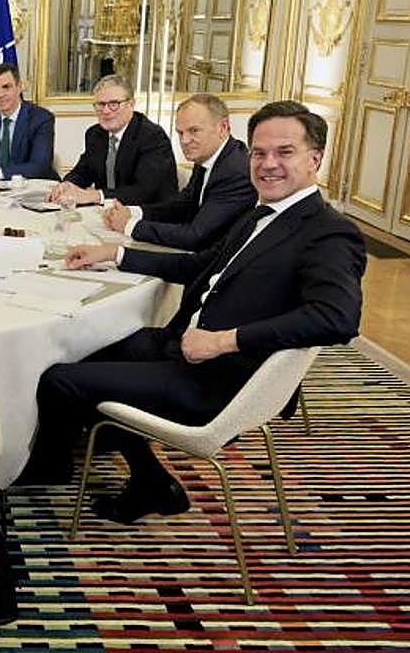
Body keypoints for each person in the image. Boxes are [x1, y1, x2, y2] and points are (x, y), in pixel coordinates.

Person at [23, 101, 365, 525]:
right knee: (84, 349)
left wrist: (223, 340)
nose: (268, 164)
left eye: (284, 152)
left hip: (218, 375)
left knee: (59, 380)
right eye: (259, 153)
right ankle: (144, 473)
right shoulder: (263, 213)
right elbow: (197, 266)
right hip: (183, 344)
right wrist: (114, 254)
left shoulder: (328, 232)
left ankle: (53, 468)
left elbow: (337, 318)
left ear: (315, 159)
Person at [101, 93, 255, 250]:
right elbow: (183, 205)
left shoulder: (236, 171)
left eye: (194, 131)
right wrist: (134, 212)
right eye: (180, 133)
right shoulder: (208, 155)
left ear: (223, 128)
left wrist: (130, 225)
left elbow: (194, 236)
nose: (185, 141)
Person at [48, 73, 177, 206]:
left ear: (131, 104)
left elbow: (144, 191)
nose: (106, 111)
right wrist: (67, 185)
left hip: (148, 217)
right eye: (100, 104)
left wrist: (96, 195)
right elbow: (83, 171)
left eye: (114, 104)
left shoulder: (152, 136)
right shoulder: (95, 134)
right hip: (108, 213)